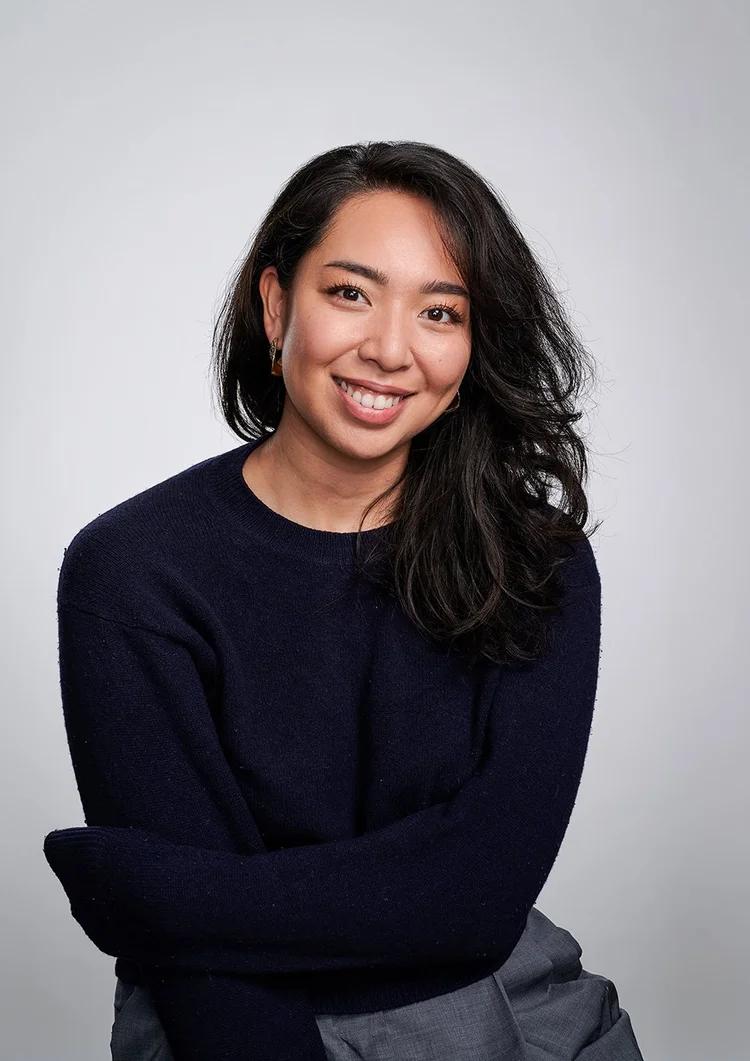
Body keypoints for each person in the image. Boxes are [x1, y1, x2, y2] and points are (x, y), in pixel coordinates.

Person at [43, 140, 645, 1061]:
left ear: (473, 345)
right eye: (351, 293)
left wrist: (157, 897)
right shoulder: (130, 571)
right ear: (277, 302)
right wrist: (409, 894)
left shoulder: (534, 560)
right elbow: (213, 984)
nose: (391, 350)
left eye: (440, 311)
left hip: (504, 1010)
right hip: (220, 1018)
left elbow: (479, 899)